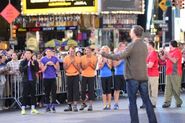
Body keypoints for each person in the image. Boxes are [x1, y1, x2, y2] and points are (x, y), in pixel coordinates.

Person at [100, 25, 157, 123]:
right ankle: (153, 121)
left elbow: (119, 56)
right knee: (147, 100)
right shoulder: (144, 45)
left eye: (131, 31)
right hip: (143, 76)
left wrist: (104, 54)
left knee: (132, 102)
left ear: (134, 33)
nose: (130, 32)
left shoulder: (132, 45)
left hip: (132, 78)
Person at [161, 40, 183, 108]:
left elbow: (174, 60)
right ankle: (167, 102)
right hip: (168, 72)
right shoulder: (169, 52)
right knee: (168, 88)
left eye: (169, 45)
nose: (169, 46)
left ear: (172, 45)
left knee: (176, 88)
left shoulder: (177, 51)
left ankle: (178, 102)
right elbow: (162, 59)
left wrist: (168, 55)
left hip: (175, 73)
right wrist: (163, 53)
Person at [19, 49, 39, 115]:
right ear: (25, 54)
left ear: (31, 54)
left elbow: (37, 70)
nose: (27, 54)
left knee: (33, 94)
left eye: (29, 53)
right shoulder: (22, 62)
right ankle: (23, 109)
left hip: (33, 80)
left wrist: (32, 65)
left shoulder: (35, 61)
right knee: (24, 95)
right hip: (25, 81)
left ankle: (33, 108)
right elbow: (21, 70)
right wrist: (27, 65)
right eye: (26, 53)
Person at [140, 41, 159, 108]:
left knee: (153, 90)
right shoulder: (149, 53)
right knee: (146, 90)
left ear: (150, 46)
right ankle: (147, 103)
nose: (146, 46)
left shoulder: (153, 53)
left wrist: (142, 65)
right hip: (148, 74)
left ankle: (153, 103)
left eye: (147, 45)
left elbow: (150, 65)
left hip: (153, 75)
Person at [40, 48, 59, 112]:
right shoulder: (43, 59)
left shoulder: (55, 58)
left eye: (50, 52)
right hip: (46, 78)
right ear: (45, 53)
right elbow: (42, 70)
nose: (49, 53)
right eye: (47, 52)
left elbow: (57, 69)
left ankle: (53, 105)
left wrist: (53, 64)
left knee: (54, 92)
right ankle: (47, 106)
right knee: (47, 92)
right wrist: (47, 64)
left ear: (51, 52)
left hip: (53, 77)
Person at [80, 46, 97, 111]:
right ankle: (83, 103)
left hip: (91, 76)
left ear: (91, 51)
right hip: (84, 75)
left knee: (91, 90)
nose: (87, 52)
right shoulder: (82, 58)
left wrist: (91, 64)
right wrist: (87, 64)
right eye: (86, 51)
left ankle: (90, 105)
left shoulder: (94, 57)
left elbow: (94, 67)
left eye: (89, 51)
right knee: (83, 90)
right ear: (85, 51)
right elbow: (83, 68)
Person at [63, 47, 81, 112]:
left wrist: (74, 63)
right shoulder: (66, 58)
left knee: (76, 90)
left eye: (73, 51)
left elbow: (79, 69)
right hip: (68, 75)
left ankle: (75, 106)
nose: (72, 53)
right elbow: (64, 68)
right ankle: (69, 106)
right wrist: (70, 63)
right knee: (69, 90)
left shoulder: (78, 58)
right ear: (69, 52)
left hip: (76, 75)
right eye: (70, 51)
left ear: (74, 52)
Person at [98, 46, 112, 110]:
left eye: (105, 49)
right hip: (102, 75)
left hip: (109, 75)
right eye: (103, 49)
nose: (104, 51)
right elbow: (100, 67)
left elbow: (110, 67)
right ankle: (104, 105)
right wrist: (103, 61)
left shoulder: (109, 57)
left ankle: (109, 104)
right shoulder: (100, 57)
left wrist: (107, 62)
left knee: (109, 91)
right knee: (104, 91)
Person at [113, 42, 126, 110]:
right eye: (123, 46)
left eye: (125, 46)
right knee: (117, 90)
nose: (124, 48)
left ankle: (131, 104)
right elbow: (114, 65)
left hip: (126, 74)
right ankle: (116, 104)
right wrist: (121, 59)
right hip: (118, 74)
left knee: (130, 90)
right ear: (119, 47)